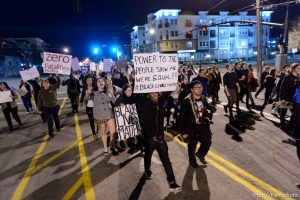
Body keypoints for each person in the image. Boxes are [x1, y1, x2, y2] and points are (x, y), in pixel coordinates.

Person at [135, 91, 181, 192]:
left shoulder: (160, 102)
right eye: (153, 93)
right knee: (148, 156)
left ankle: (172, 182)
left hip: (160, 139)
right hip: (149, 139)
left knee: (166, 161)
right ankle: (147, 170)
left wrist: (173, 77)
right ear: (147, 95)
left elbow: (167, 91)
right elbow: (138, 92)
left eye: (157, 93)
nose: (156, 94)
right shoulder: (144, 103)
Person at [179, 80, 213, 168]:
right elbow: (182, 118)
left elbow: (208, 110)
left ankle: (200, 154)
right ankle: (192, 161)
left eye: (200, 87)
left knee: (207, 141)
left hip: (202, 125)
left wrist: (209, 114)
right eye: (196, 87)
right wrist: (183, 132)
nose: (199, 89)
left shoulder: (203, 99)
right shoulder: (186, 101)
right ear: (191, 89)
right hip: (191, 127)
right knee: (192, 146)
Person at [93, 78, 119, 156]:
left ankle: (112, 145)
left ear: (104, 83)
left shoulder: (109, 92)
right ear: (97, 84)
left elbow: (114, 101)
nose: (101, 83)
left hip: (109, 114)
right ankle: (105, 148)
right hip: (100, 116)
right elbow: (87, 99)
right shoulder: (93, 93)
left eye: (102, 81)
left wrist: (119, 101)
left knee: (113, 132)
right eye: (99, 81)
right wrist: (87, 95)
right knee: (103, 133)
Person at [115, 84, 143, 154]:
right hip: (126, 119)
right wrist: (121, 106)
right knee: (130, 133)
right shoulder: (120, 98)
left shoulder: (134, 96)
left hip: (134, 117)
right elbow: (116, 107)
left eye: (131, 90)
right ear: (124, 91)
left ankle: (140, 146)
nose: (130, 92)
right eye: (128, 90)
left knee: (138, 132)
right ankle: (132, 146)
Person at [279, 63, 300, 128]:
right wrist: (282, 98)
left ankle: (290, 124)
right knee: (284, 112)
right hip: (287, 98)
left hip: (294, 99)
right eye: (298, 68)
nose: (299, 69)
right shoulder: (287, 77)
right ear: (293, 69)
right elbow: (282, 88)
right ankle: (282, 124)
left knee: (294, 113)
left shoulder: (298, 77)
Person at [79, 76, 97, 141]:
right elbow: (81, 98)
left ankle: (97, 128)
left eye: (90, 80)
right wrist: (79, 106)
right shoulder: (84, 89)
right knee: (91, 120)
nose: (89, 81)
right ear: (86, 82)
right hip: (89, 107)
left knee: (97, 119)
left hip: (96, 106)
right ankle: (94, 134)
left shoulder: (95, 88)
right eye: (88, 80)